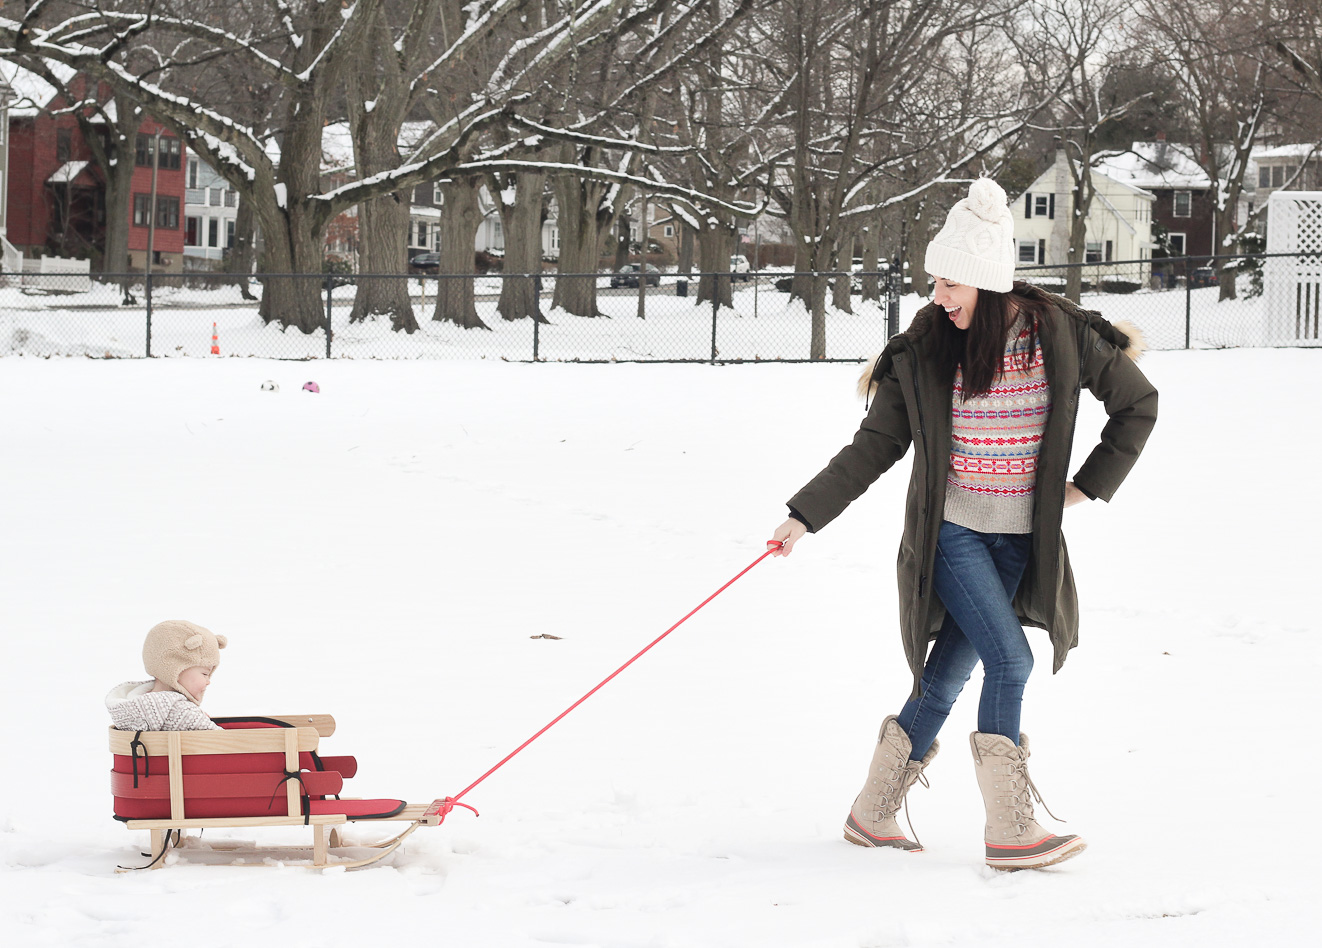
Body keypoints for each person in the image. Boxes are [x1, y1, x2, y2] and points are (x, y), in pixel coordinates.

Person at [769, 178, 1157, 871]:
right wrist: (804, 514)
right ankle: (1010, 830)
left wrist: (1087, 486)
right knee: (1011, 659)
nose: (937, 297)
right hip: (953, 532)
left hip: (1018, 540)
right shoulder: (925, 350)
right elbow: (875, 445)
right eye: (935, 281)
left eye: (951, 283)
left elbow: (1138, 405)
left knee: (945, 680)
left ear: (987, 282)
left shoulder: (1059, 336)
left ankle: (872, 810)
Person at [106, 620, 227, 731]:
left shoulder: (132, 707)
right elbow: (224, 742)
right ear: (176, 670)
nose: (208, 681)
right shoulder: (184, 713)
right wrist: (198, 717)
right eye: (205, 674)